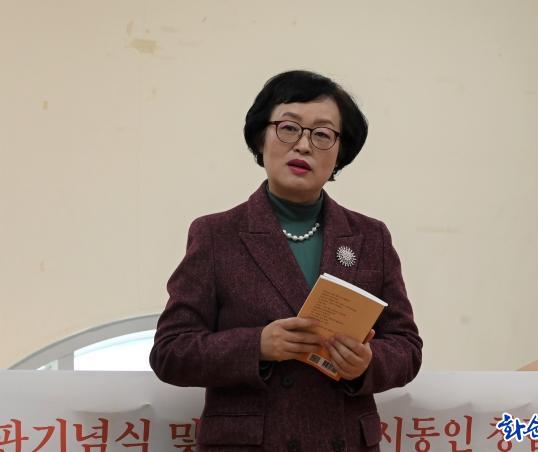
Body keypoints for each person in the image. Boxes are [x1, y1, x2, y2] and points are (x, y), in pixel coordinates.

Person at [150, 70, 422, 452]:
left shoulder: (371, 237)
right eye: (289, 128)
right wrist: (257, 346)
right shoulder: (216, 234)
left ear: (340, 153)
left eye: (322, 134)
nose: (304, 146)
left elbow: (407, 347)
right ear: (260, 138)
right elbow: (170, 352)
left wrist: (367, 363)